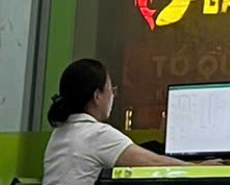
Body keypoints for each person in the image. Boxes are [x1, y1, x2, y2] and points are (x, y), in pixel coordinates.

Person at [43, 58, 180, 185]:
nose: (113, 96)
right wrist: (192, 167)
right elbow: (155, 162)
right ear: (97, 96)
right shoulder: (96, 134)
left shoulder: (58, 133)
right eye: (111, 90)